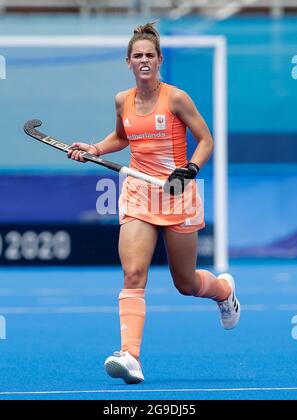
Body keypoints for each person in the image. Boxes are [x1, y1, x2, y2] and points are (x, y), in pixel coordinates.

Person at [68, 22, 240, 385]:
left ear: (159, 60)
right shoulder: (122, 100)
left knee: (186, 283)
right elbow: (121, 136)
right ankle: (129, 356)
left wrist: (190, 169)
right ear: (127, 61)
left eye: (150, 55)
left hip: (178, 194)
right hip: (137, 194)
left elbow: (205, 140)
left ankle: (224, 291)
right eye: (137, 56)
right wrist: (95, 149)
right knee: (133, 274)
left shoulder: (176, 98)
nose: (144, 60)